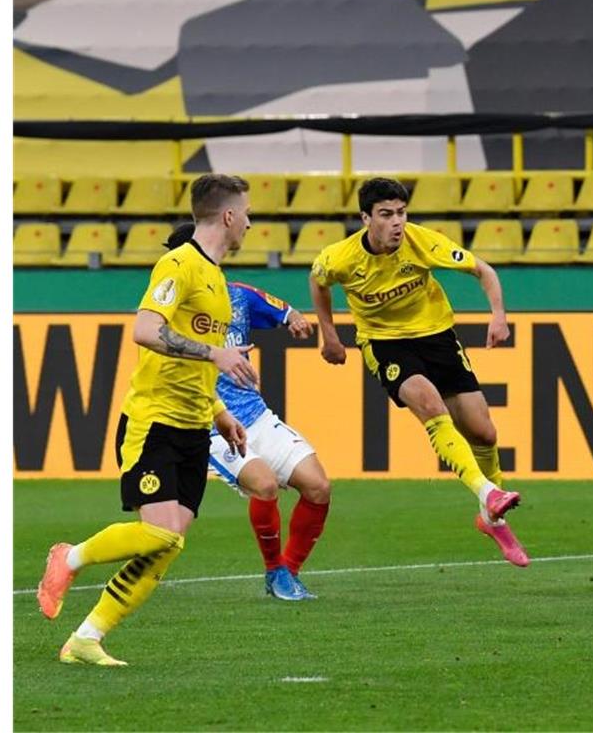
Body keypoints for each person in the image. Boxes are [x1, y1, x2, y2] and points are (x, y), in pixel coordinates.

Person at [35, 174, 259, 665]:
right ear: (226, 215)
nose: (248, 221)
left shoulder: (217, 280)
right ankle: (68, 557)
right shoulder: (177, 263)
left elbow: (191, 360)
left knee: (169, 545)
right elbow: (145, 330)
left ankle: (86, 639)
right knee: (160, 532)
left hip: (193, 426)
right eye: (245, 212)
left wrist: (219, 413)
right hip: (153, 420)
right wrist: (216, 354)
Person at [309, 177, 527, 565]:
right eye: (386, 214)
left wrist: (499, 317)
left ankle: (491, 515)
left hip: (438, 337)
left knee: (484, 432)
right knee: (431, 405)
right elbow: (318, 281)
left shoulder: (422, 241)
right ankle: (487, 494)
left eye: (402, 213)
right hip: (385, 342)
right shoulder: (339, 258)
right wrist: (330, 335)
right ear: (365, 218)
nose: (397, 222)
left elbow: (485, 271)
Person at [165, 223, 331, 601]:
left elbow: (276, 307)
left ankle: (288, 571)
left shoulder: (235, 295)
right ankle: (274, 573)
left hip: (255, 413)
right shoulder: (171, 309)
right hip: (210, 422)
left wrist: (293, 318)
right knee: (266, 484)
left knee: (319, 487)